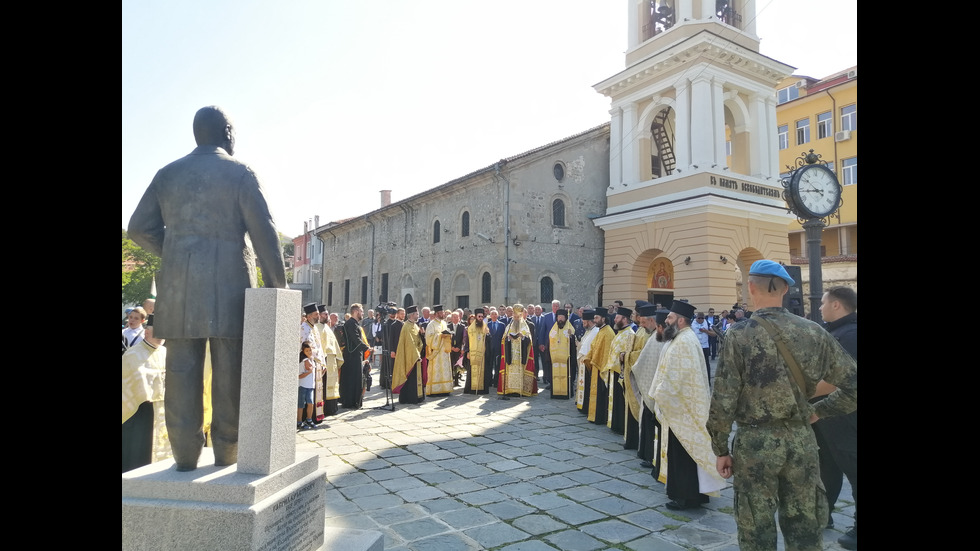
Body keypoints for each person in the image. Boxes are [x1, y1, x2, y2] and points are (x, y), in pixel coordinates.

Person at [128, 106, 287, 471]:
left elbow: (137, 227)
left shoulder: (167, 174)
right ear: (227, 132)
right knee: (230, 370)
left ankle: (184, 457)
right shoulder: (240, 172)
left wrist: (174, 250)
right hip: (230, 281)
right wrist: (279, 287)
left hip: (179, 285)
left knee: (181, 369)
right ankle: (226, 454)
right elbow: (264, 232)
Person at [707, 260, 857, 551]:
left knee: (756, 528)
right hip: (801, 439)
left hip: (754, 442)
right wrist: (820, 411)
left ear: (751, 287)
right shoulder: (814, 332)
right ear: (787, 289)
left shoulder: (739, 334)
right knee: (804, 527)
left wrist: (720, 448)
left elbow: (723, 399)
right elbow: (853, 383)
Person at [650, 300, 726, 510]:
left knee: (683, 454)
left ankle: (685, 496)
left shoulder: (683, 341)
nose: (666, 321)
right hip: (686, 405)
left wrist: (659, 394)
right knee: (689, 453)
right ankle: (698, 494)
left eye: (670, 318)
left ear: (681, 320)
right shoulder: (684, 338)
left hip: (681, 408)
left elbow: (674, 377)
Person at [813, 286, 858, 549]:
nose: (820, 307)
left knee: (853, 470)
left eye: (823, 303)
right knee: (826, 466)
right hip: (828, 416)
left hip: (845, 415)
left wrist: (803, 392)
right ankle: (823, 514)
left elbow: (836, 381)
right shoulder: (837, 332)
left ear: (837, 305)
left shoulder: (850, 334)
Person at [122, 314, 170, 472]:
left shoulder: (166, 353)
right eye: (158, 331)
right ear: (146, 333)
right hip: (138, 413)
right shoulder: (132, 354)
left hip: (162, 411)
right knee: (138, 453)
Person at [634, 308, 669, 476]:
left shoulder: (658, 338)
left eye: (643, 322)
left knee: (651, 424)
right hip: (652, 387)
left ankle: (651, 456)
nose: (642, 325)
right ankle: (650, 455)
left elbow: (643, 362)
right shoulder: (658, 337)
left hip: (653, 389)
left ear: (654, 322)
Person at [623, 303, 655, 450]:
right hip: (634, 373)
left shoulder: (648, 335)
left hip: (642, 376)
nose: (640, 323)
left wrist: (627, 355)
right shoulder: (641, 331)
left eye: (642, 321)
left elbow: (643, 354)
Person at [603, 307, 635, 434]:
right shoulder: (620, 333)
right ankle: (613, 423)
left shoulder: (630, 334)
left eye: (617, 317)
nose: (614, 319)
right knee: (614, 399)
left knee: (619, 401)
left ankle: (620, 425)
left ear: (625, 319)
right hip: (613, 370)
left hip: (620, 373)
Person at [498, 304, 537, 397]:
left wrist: (522, 337)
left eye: (517, 316)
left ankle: (521, 390)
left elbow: (529, 340)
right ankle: (510, 390)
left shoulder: (525, 326)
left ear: (521, 316)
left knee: (520, 372)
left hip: (521, 355)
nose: (516, 318)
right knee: (511, 372)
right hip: (511, 355)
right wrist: (508, 338)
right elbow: (503, 338)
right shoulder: (509, 326)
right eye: (514, 316)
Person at [583, 307, 614, 423]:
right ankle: (594, 416)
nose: (594, 320)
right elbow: (594, 347)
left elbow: (606, 353)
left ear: (603, 318)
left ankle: (599, 417)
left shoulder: (608, 332)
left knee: (601, 395)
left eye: (596, 318)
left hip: (602, 367)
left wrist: (593, 359)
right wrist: (587, 357)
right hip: (596, 365)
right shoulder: (601, 330)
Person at [392, 306, 425, 404]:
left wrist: (422, 336)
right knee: (410, 378)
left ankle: (418, 396)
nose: (418, 316)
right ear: (411, 315)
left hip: (416, 355)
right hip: (409, 356)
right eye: (417, 314)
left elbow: (418, 340)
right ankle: (409, 398)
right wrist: (416, 355)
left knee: (416, 378)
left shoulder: (415, 325)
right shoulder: (406, 326)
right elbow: (409, 343)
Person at [340, 303, 371, 409]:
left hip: (355, 354)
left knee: (356, 378)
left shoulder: (355, 323)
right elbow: (355, 339)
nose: (363, 314)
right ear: (356, 311)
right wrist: (366, 348)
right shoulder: (351, 324)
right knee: (351, 379)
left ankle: (355, 401)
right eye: (361, 311)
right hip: (351, 355)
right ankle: (350, 401)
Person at [300, 303, 326, 423]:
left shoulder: (314, 328)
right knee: (308, 391)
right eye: (316, 314)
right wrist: (306, 361)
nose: (318, 316)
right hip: (309, 364)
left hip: (318, 364)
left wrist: (323, 362)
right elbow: (302, 347)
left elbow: (319, 347)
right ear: (309, 316)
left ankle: (315, 416)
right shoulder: (303, 328)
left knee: (316, 391)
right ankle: (306, 417)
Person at [316, 306, 343, 417]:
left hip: (332, 361)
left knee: (332, 384)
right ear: (319, 315)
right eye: (325, 314)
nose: (327, 316)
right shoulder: (316, 328)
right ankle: (323, 409)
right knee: (323, 385)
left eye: (327, 314)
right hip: (323, 361)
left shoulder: (327, 328)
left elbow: (334, 344)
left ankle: (331, 408)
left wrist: (338, 358)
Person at [547, 308, 577, 399]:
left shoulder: (569, 328)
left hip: (566, 359)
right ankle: (555, 393)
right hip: (555, 359)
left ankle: (566, 393)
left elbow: (573, 344)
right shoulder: (553, 329)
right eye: (558, 317)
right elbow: (550, 341)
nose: (560, 319)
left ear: (565, 318)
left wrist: (571, 336)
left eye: (562, 317)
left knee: (567, 375)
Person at [424, 306, 454, 396]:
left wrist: (449, 335)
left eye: (443, 312)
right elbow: (428, 338)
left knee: (444, 370)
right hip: (436, 352)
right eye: (441, 312)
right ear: (436, 314)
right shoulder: (431, 324)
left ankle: (445, 389)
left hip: (444, 351)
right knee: (436, 371)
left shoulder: (444, 323)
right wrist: (440, 336)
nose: (443, 314)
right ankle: (434, 390)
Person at [463, 308, 492, 394]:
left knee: (483, 372)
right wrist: (467, 351)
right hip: (472, 353)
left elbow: (489, 340)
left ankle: (482, 389)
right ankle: (471, 389)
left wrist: (488, 334)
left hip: (482, 353)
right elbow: (467, 341)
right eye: (479, 316)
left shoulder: (485, 327)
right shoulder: (471, 328)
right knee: (471, 372)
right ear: (476, 317)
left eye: (482, 317)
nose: (480, 318)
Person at [575, 308, 598, 413]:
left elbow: (587, 349)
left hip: (588, 364)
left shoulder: (595, 331)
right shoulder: (589, 331)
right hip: (583, 362)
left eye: (584, 322)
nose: (583, 324)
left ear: (589, 322)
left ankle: (585, 406)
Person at [297, 342, 317, 430]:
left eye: (310, 350)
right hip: (302, 385)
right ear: (303, 351)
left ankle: (309, 419)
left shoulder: (312, 361)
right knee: (301, 404)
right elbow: (298, 375)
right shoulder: (302, 362)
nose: (309, 352)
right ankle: (299, 421)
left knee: (311, 403)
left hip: (310, 386)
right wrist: (308, 372)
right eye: (307, 351)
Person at [690, 312, 714, 379]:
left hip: (705, 346)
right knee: (695, 363)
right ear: (696, 318)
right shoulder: (691, 323)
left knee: (706, 364)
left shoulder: (708, 323)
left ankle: (707, 380)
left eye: (702, 318)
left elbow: (714, 334)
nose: (700, 320)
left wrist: (706, 331)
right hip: (695, 346)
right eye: (699, 318)